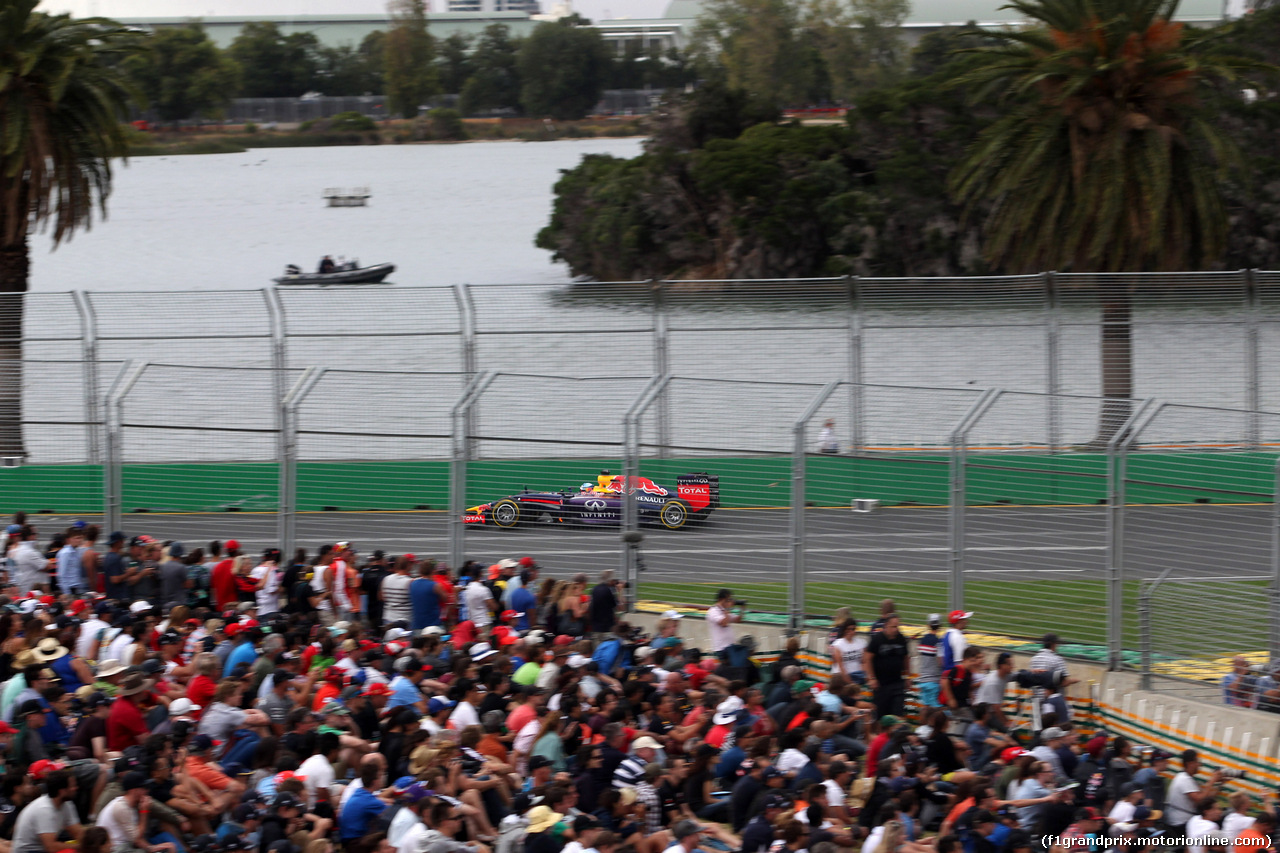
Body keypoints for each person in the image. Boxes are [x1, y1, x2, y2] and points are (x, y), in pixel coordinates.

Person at [12, 768, 84, 853]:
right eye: (72, 786)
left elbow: (78, 833)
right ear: (62, 791)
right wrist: (79, 847)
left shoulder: (66, 804)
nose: (76, 788)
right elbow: (51, 847)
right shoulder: (44, 809)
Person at [1165, 750, 1222, 834]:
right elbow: (1200, 800)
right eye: (1197, 762)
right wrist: (1212, 781)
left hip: (1184, 820)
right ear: (1190, 763)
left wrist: (1220, 784)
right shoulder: (1184, 779)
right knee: (1214, 823)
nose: (1199, 765)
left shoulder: (1187, 779)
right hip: (1180, 823)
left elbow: (1207, 798)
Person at [864, 613, 910, 717]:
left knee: (898, 714)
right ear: (886, 626)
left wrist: (908, 676)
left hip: (897, 682)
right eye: (893, 627)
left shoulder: (901, 639)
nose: (896, 629)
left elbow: (906, 658)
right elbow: (867, 659)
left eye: (897, 626)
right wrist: (871, 678)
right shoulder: (877, 639)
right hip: (881, 684)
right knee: (880, 715)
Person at [707, 589, 744, 656]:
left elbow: (738, 620)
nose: (730, 601)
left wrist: (742, 608)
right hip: (721, 649)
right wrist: (727, 609)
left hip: (731, 647)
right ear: (721, 599)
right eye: (728, 599)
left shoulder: (724, 611)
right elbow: (724, 623)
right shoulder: (713, 611)